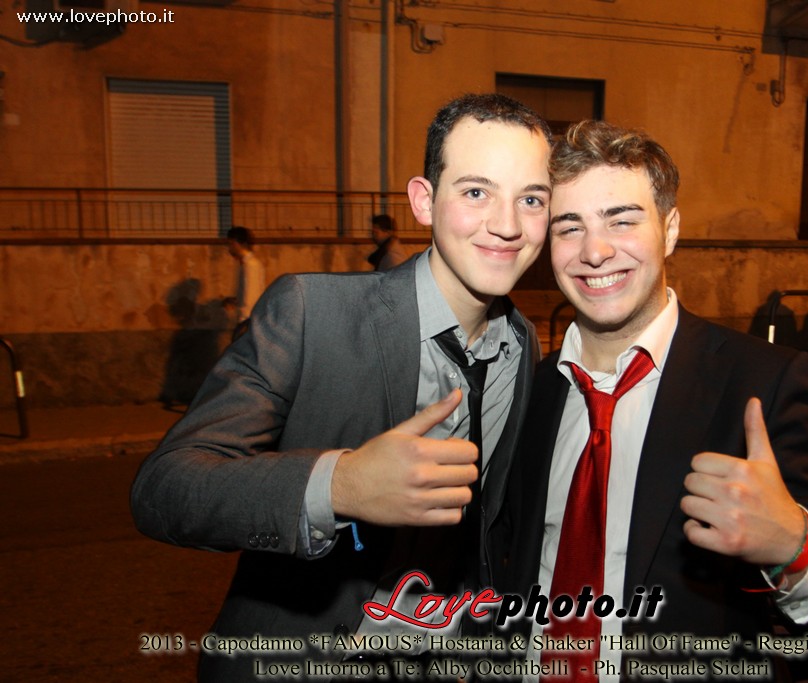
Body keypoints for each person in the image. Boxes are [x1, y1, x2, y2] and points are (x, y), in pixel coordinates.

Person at [131, 93, 553, 681]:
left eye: (531, 199)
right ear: (424, 201)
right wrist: (339, 484)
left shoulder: (522, 343)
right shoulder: (312, 312)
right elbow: (165, 488)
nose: (507, 225)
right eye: (476, 192)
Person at [499, 121, 808, 682]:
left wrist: (793, 547)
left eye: (622, 220)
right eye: (569, 227)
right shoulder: (527, 391)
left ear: (669, 229)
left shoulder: (763, 383)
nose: (595, 251)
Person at [225, 226, 266, 340]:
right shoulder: (245, 264)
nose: (229, 248)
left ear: (236, 243)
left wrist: (244, 323)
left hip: (248, 322)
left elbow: (251, 296)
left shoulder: (250, 265)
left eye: (230, 244)